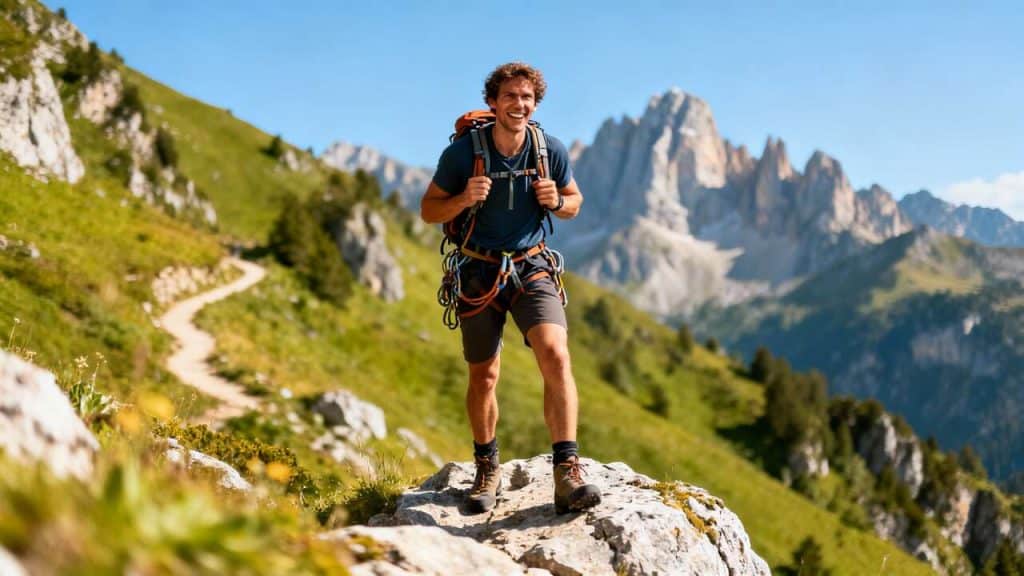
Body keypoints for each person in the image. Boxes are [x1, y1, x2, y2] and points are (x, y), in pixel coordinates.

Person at [420, 62, 601, 515]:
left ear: (534, 103)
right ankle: (487, 469)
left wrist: (557, 201)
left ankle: (567, 471)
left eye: (526, 98)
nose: (519, 105)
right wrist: (464, 198)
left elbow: (574, 202)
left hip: (532, 266)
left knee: (556, 355)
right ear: (493, 102)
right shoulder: (464, 154)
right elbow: (428, 209)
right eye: (510, 97)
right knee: (484, 375)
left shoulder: (548, 149)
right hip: (478, 270)